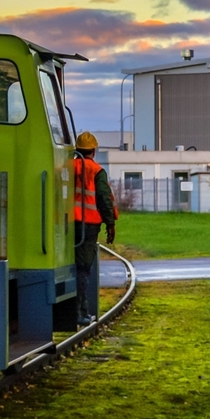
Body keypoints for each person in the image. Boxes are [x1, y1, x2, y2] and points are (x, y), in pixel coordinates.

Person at [71, 131, 118, 326]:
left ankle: (79, 309)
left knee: (71, 267)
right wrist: (110, 223)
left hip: (66, 224)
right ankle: (80, 311)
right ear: (93, 151)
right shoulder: (97, 171)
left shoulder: (66, 167)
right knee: (83, 268)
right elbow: (104, 199)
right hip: (88, 225)